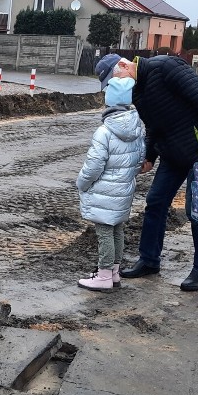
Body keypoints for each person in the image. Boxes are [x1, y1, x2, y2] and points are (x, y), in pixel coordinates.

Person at [94, 53, 198, 291]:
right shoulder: (136, 90)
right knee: (155, 201)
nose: (116, 86)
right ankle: (149, 260)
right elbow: (154, 126)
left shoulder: (167, 67)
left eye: (115, 79)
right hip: (172, 153)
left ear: (125, 65)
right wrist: (149, 155)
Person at [76, 76, 145, 292]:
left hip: (104, 191)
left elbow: (94, 165)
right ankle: (114, 271)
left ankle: (104, 274)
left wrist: (82, 183)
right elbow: (139, 160)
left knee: (104, 232)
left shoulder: (104, 132)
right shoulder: (137, 128)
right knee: (117, 229)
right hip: (124, 190)